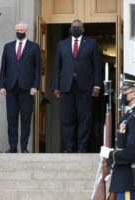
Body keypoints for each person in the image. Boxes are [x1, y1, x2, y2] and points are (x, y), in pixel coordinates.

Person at [53, 19, 102, 153]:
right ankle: (69, 147)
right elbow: (57, 66)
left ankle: (82, 147)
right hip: (66, 86)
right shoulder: (61, 44)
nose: (75, 29)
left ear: (83, 29)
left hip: (85, 87)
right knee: (67, 118)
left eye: (78, 27)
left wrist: (97, 85)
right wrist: (56, 86)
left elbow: (97, 66)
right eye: (73, 27)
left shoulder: (91, 43)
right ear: (70, 29)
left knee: (85, 118)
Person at [0, 21, 41, 153]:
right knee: (11, 118)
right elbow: (3, 68)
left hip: (27, 88)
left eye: (22, 30)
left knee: (26, 118)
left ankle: (23, 147)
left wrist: (35, 86)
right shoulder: (8, 47)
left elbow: (37, 69)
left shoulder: (34, 47)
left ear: (26, 31)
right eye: (18, 30)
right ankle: (12, 147)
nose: (20, 32)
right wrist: (1, 86)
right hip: (10, 87)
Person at [100, 73, 135, 200]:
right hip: (123, 177)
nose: (122, 95)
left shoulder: (133, 117)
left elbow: (132, 151)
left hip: (129, 179)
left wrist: (111, 154)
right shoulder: (129, 115)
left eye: (125, 91)